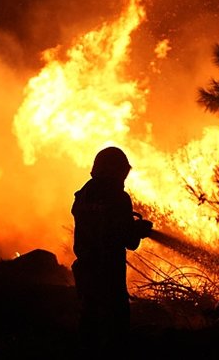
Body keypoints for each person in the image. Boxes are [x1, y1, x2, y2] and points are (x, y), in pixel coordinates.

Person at [70, 146, 153, 356]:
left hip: (86, 271)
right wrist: (138, 230)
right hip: (109, 274)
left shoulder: (83, 196)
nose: (123, 179)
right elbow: (129, 241)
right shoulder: (118, 198)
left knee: (89, 324)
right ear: (115, 171)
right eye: (122, 173)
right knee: (116, 330)